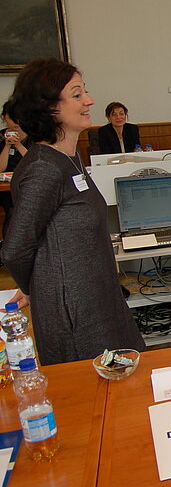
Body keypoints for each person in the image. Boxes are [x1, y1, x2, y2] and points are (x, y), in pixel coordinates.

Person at [1, 58, 145, 365]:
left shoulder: (67, 158)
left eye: (85, 91)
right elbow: (15, 248)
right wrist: (33, 287)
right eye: (77, 94)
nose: (89, 100)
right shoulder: (43, 168)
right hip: (75, 309)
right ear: (48, 108)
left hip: (98, 294)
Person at [0, 102, 29, 238]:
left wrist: (18, 145)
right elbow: (1, 168)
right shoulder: (1, 137)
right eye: (12, 117)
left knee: (16, 209)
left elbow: (34, 162)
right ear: (4, 118)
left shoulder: (33, 136)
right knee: (11, 208)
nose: (16, 121)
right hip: (5, 187)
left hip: (26, 183)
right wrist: (7, 146)